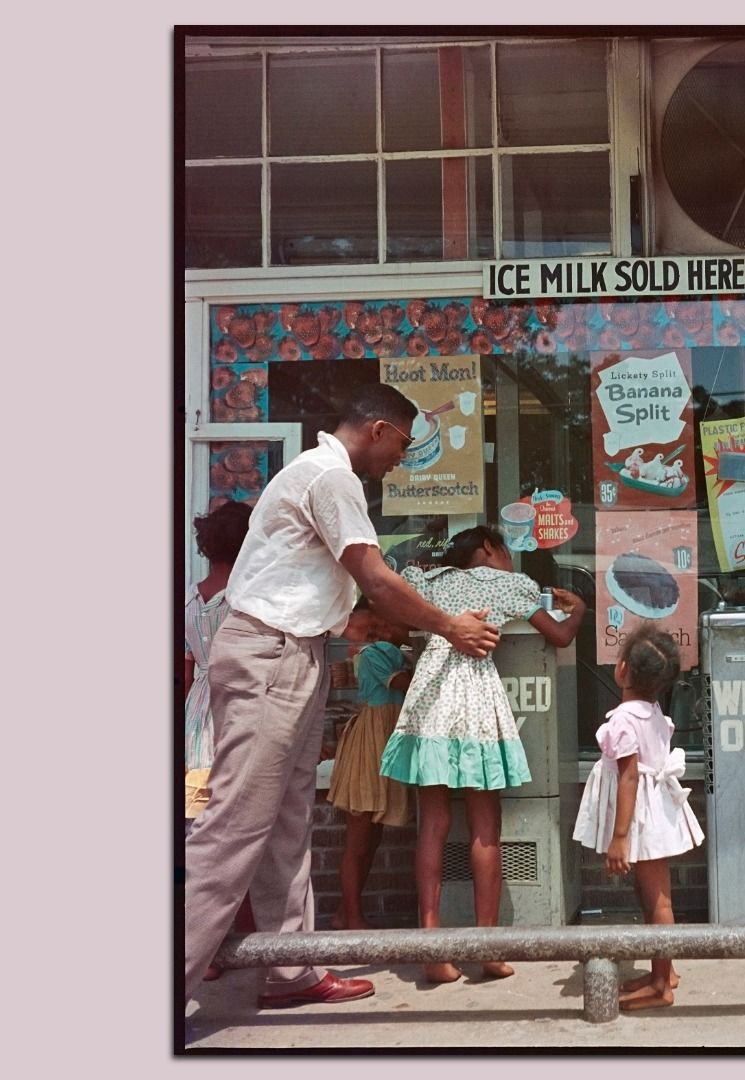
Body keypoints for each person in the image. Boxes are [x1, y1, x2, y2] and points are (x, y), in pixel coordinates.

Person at [182, 384, 502, 1009]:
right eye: (403, 446)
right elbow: (375, 578)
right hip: (271, 654)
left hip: (289, 651)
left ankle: (289, 969)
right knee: (236, 824)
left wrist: (370, 624)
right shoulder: (331, 478)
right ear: (378, 429)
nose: (401, 461)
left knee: (285, 822)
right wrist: (452, 625)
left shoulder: (314, 474)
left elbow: (341, 596)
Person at [379, 525, 587, 984]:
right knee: (485, 825)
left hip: (430, 696)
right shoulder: (513, 586)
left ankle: (432, 947)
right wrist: (580, 610)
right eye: (507, 550)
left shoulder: (432, 582)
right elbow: (559, 637)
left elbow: (391, 592)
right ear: (490, 549)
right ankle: (488, 948)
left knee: (432, 822)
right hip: (473, 697)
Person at [572, 623, 701, 1012]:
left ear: (623, 668)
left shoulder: (624, 720)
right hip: (654, 811)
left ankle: (662, 985)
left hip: (641, 818)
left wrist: (619, 836)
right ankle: (664, 969)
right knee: (650, 895)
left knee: (658, 898)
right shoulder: (653, 713)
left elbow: (628, 775)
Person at [326, 599, 415, 931]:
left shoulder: (397, 653)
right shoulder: (373, 655)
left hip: (387, 742)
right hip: (370, 748)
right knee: (359, 839)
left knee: (371, 838)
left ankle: (342, 913)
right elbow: (406, 685)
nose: (379, 633)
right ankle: (354, 917)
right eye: (372, 629)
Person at [182, 500, 253, 822]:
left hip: (197, 712)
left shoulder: (187, 601)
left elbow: (183, 675)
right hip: (240, 706)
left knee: (195, 814)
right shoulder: (247, 601)